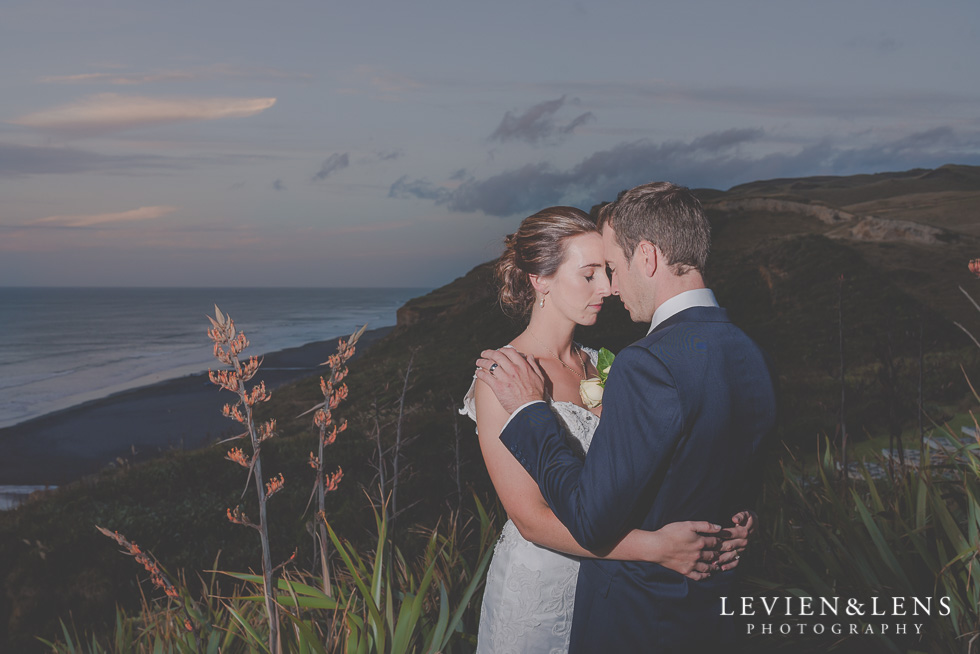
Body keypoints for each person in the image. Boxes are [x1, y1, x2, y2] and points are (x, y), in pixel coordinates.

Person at [477, 184, 777, 652]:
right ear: (541, 280)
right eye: (591, 274)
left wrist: (725, 521)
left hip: (628, 595)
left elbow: (676, 463)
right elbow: (532, 520)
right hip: (548, 589)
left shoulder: (616, 364)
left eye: (610, 270)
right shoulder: (505, 376)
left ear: (649, 257)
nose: (608, 288)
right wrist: (652, 546)